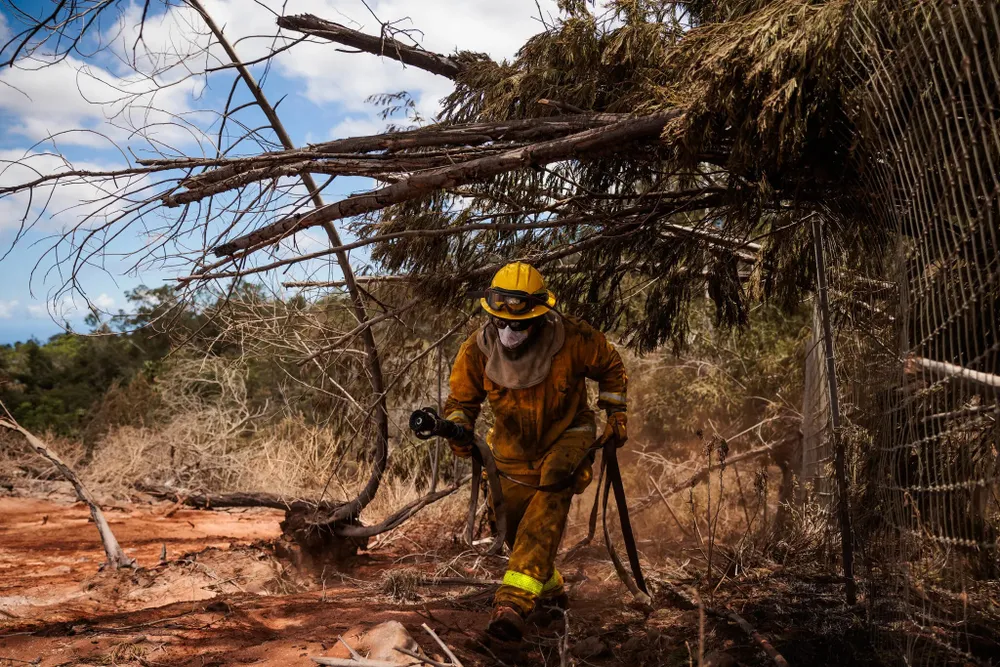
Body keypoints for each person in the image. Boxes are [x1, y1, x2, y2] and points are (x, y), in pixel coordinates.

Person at [443, 261, 629, 641]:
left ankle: (512, 604)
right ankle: (553, 592)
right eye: (502, 322)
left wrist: (616, 414)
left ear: (541, 316)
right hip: (512, 448)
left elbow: (611, 367)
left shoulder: (573, 338)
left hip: (568, 433)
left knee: (554, 484)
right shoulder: (477, 349)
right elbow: (461, 401)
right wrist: (459, 430)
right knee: (513, 528)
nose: (510, 330)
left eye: (520, 323)